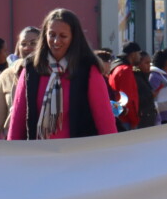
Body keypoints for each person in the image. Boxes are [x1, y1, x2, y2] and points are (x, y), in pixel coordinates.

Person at [7, 9, 117, 140]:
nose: (56, 41)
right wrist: (12, 149)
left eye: (63, 36)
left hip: (78, 150)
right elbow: (18, 118)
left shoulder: (88, 70)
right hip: (39, 150)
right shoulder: (31, 69)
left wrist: (112, 149)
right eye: (52, 35)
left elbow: (104, 119)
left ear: (74, 38)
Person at [0, 27, 40, 139]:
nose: (27, 48)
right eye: (23, 44)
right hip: (13, 142)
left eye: (33, 43)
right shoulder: (7, 75)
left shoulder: (53, 74)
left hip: (45, 142)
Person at [107, 41, 141, 131]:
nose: (140, 56)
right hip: (126, 120)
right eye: (139, 53)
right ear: (133, 54)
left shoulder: (116, 68)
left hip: (119, 117)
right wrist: (134, 121)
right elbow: (128, 99)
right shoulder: (125, 71)